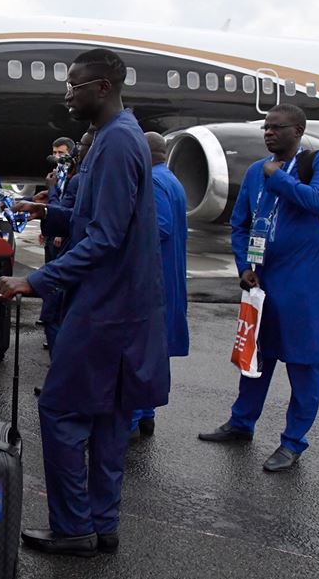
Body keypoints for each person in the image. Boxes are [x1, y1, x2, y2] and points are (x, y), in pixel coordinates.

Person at [0, 48, 170, 556]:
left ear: (102, 87)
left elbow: (105, 238)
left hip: (104, 309)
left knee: (61, 412)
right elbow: (98, 219)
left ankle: (74, 527)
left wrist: (36, 281)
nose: (67, 94)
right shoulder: (116, 137)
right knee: (109, 418)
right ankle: (102, 523)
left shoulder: (115, 142)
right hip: (122, 307)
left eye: (73, 85)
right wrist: (44, 212)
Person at [198, 104, 319, 472]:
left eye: (277, 127)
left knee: (303, 363)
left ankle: (293, 442)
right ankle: (241, 423)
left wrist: (279, 178)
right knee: (255, 357)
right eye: (265, 128)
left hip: (304, 285)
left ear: (298, 131)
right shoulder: (255, 171)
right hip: (263, 282)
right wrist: (244, 266)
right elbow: (241, 223)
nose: (268, 133)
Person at [129, 132, 190, 439]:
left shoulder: (153, 181)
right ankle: (146, 414)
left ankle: (132, 418)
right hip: (169, 275)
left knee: (140, 350)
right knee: (153, 350)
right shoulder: (171, 179)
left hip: (154, 277)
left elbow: (160, 226)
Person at [38, 136, 76, 343]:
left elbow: (64, 208)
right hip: (53, 230)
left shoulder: (73, 178)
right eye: (54, 153)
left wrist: (59, 230)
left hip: (63, 233)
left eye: (61, 153)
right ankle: (49, 316)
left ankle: (55, 322)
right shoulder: (57, 174)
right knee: (49, 272)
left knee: (57, 279)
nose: (57, 157)